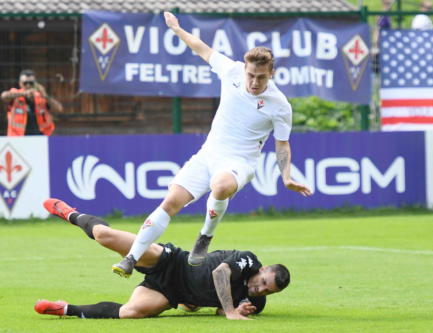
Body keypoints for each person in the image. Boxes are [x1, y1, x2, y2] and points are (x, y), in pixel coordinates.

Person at [112, 11, 312, 277]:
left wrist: (286, 177)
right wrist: (177, 29)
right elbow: (201, 48)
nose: (254, 82)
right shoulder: (231, 71)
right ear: (244, 67)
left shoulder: (280, 105)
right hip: (208, 155)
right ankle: (131, 258)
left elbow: (282, 144)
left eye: (261, 77)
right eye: (251, 74)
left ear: (271, 73)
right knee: (170, 202)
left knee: (220, 185)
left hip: (239, 162)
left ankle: (204, 238)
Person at [37, 198, 291, 320]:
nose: (260, 289)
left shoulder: (256, 304)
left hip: (171, 293)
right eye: (263, 281)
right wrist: (230, 311)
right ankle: (72, 214)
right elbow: (220, 274)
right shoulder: (248, 261)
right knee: (104, 235)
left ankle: (65, 308)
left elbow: (215, 310)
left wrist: (234, 308)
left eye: (268, 290)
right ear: (263, 268)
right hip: (172, 261)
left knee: (130, 312)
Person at [0, 69, 62, 136]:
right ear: (20, 83)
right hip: (18, 137)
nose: (28, 85)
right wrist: (23, 94)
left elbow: (59, 109)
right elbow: (4, 96)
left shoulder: (41, 97)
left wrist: (45, 95)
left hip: (41, 137)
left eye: (31, 83)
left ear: (35, 84)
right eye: (25, 83)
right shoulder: (15, 94)